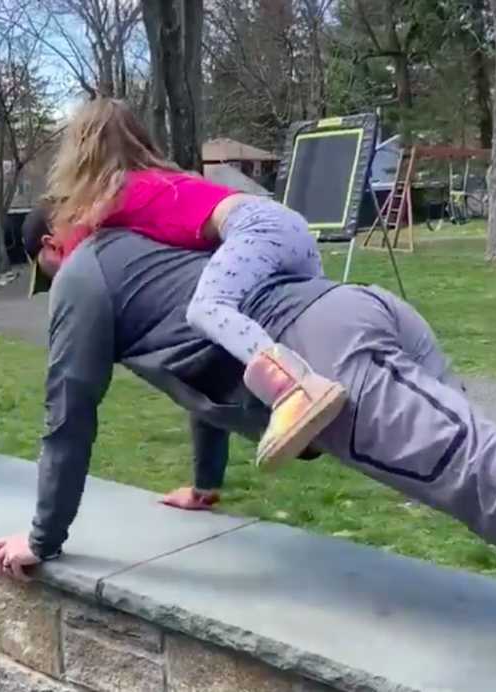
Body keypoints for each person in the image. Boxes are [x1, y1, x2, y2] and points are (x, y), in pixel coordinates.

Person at [0, 221, 496, 580]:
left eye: (47, 269)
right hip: (353, 309)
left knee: (491, 488)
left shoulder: (81, 278)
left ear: (54, 244)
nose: (51, 284)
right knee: (493, 466)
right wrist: (206, 486)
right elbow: (198, 377)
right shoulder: (149, 248)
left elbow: (68, 412)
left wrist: (42, 537)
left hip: (322, 356)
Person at [40, 97, 346, 468]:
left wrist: (58, 263)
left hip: (256, 227)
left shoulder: (115, 191)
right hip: (288, 226)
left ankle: (293, 390)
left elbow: (83, 255)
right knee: (305, 324)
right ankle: (329, 387)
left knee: (205, 309)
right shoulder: (165, 180)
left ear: (83, 151)